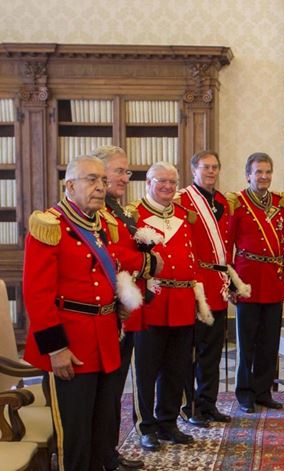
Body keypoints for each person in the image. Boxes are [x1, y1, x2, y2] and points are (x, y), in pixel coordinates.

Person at [22, 155, 137, 470]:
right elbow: (36, 295)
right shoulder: (49, 225)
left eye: (102, 180)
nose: (100, 187)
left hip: (105, 340)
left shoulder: (102, 225)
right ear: (69, 185)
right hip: (70, 344)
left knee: (103, 429)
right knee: (75, 436)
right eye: (91, 179)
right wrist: (56, 348)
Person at [129, 162, 212, 452]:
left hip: (181, 303)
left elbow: (195, 259)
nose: (167, 187)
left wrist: (199, 297)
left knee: (177, 369)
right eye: (161, 181)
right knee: (146, 370)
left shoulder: (184, 216)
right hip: (151, 304)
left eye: (172, 182)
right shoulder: (133, 214)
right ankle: (145, 426)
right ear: (148, 182)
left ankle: (168, 423)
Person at [95, 145, 161, 471]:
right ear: (99, 173)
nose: (125, 177)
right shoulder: (97, 214)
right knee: (107, 392)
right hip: (105, 313)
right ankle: (103, 456)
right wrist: (148, 260)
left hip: (123, 310)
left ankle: (110, 453)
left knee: (116, 390)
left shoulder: (119, 212)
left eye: (126, 172)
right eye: (119, 171)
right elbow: (113, 255)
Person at [229, 152, 284, 413]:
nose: (264, 176)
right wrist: (231, 283)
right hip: (247, 279)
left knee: (269, 341)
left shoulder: (280, 204)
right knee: (247, 341)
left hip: (274, 279)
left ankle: (263, 390)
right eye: (258, 172)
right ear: (248, 175)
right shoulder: (238, 203)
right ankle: (245, 392)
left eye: (267, 172)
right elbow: (227, 244)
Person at [177, 150, 238, 426]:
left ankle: (208, 404)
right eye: (205, 167)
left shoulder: (225, 201)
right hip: (196, 284)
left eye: (215, 167)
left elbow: (227, 246)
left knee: (213, 352)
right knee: (192, 352)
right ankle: (189, 408)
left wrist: (232, 280)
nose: (211, 172)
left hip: (219, 286)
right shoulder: (183, 200)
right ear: (194, 169)